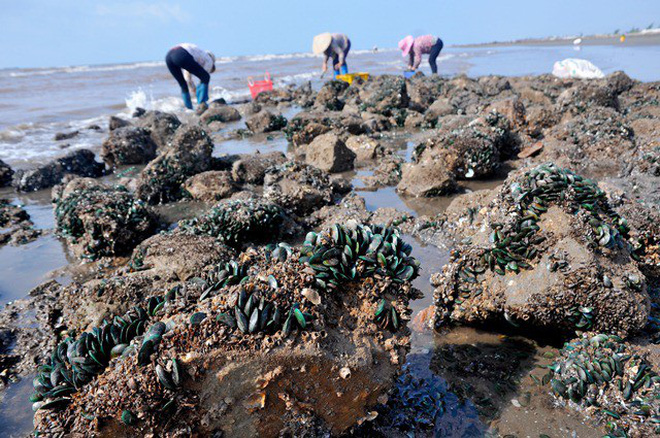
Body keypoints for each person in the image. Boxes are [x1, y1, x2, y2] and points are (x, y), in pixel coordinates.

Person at [165, 43, 216, 110]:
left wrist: (193, 88)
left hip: (169, 56)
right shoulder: (209, 60)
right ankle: (201, 104)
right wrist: (196, 91)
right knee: (206, 77)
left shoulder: (198, 55)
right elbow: (203, 77)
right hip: (181, 54)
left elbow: (187, 78)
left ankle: (188, 109)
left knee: (183, 85)